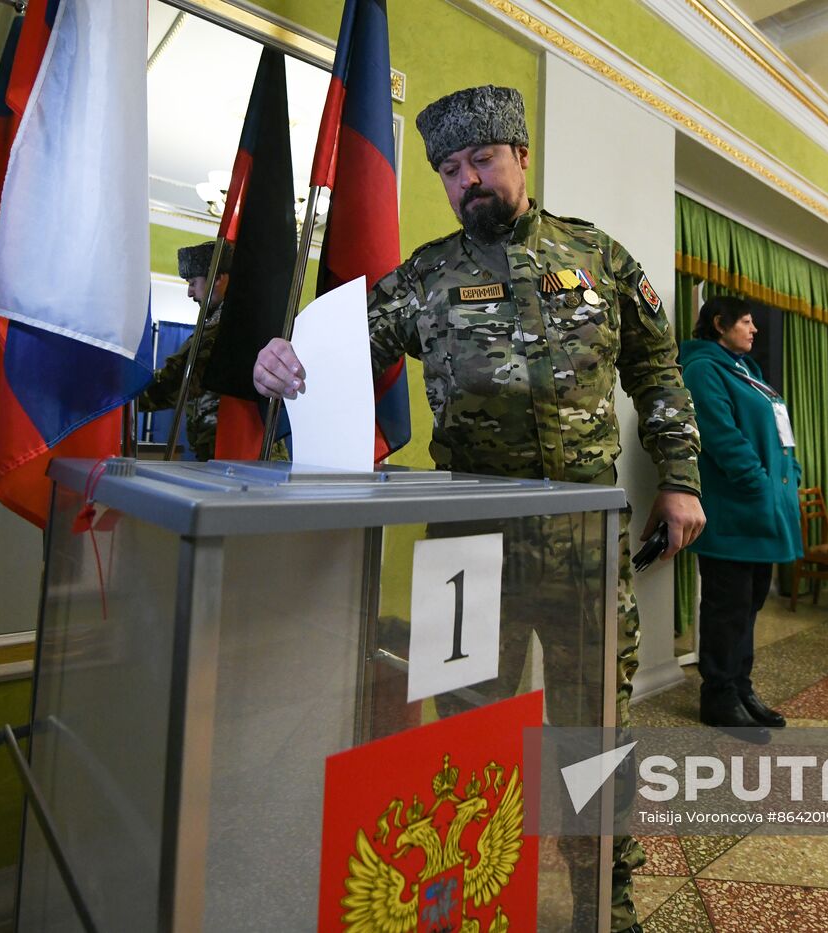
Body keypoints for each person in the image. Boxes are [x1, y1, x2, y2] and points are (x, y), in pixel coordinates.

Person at [254, 85, 704, 933]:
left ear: (521, 158)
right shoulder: (425, 274)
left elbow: (659, 372)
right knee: (465, 731)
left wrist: (681, 477)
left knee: (591, 732)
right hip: (468, 552)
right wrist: (281, 360)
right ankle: (460, 899)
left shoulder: (599, 258)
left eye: (483, 160)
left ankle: (605, 902)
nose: (469, 180)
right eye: (450, 170)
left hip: (583, 548)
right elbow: (337, 358)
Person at [680, 295, 803, 740]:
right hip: (734, 509)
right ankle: (718, 696)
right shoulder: (703, 368)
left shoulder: (748, 372)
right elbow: (720, 434)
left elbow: (777, 431)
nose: (754, 330)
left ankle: (741, 687)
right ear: (719, 322)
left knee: (750, 605)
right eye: (747, 322)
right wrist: (756, 482)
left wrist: (791, 474)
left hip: (763, 509)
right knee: (727, 607)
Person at [136, 242, 230, 460]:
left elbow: (172, 383)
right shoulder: (218, 322)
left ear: (218, 279)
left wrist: (122, 391)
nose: (189, 292)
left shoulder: (223, 329)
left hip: (233, 455)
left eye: (193, 282)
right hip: (226, 454)